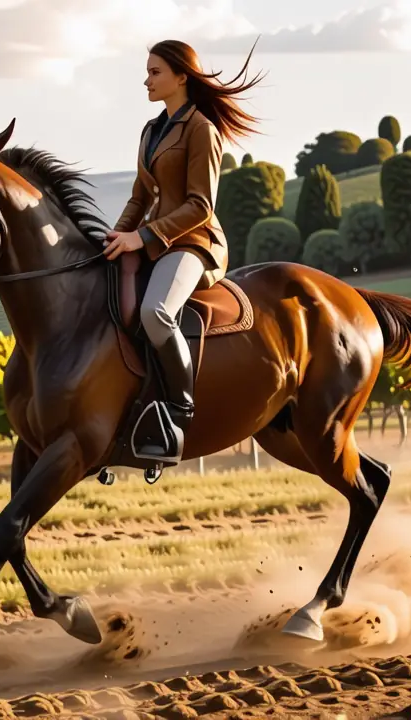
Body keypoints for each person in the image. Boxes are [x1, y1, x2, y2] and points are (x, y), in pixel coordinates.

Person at [103, 38, 265, 465]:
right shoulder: (150, 131)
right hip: (152, 241)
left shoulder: (202, 130)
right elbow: (139, 197)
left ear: (181, 76)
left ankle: (179, 410)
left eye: (155, 72)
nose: (146, 80)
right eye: (147, 71)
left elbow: (200, 206)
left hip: (194, 242)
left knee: (155, 311)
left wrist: (144, 238)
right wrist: (116, 237)